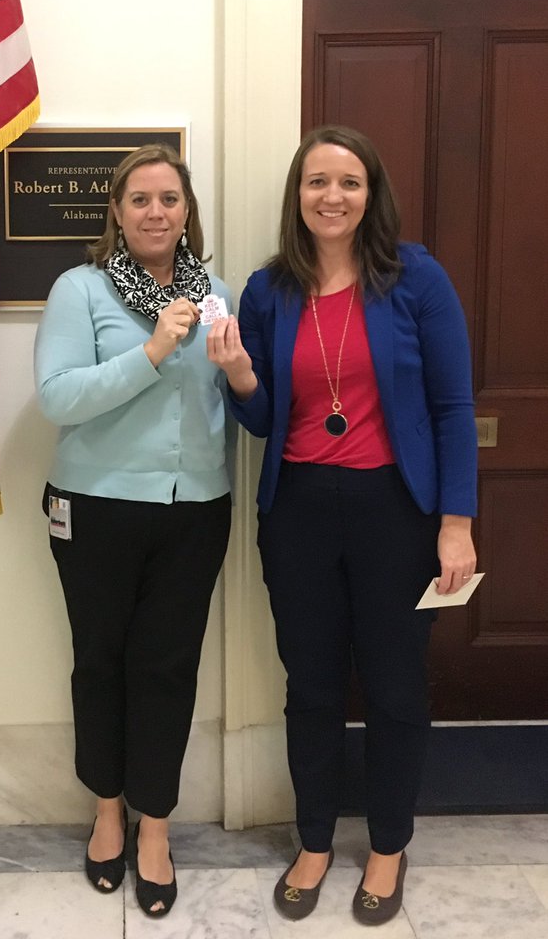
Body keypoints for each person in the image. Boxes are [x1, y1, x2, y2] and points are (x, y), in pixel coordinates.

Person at [208, 125, 477, 925]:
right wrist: (238, 373)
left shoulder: (415, 279)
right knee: (311, 687)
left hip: (395, 511)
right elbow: (259, 418)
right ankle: (316, 840)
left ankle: (389, 846)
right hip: (298, 515)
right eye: (317, 181)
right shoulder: (267, 290)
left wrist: (456, 523)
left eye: (349, 182)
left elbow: (454, 408)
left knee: (395, 688)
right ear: (297, 194)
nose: (332, 196)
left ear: (371, 195)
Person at [34, 145, 234, 918]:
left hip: (194, 510)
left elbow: (223, 398)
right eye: (141, 199)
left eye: (170, 199)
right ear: (115, 212)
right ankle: (107, 809)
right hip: (94, 508)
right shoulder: (79, 290)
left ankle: (156, 824)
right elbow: (57, 398)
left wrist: (240, 369)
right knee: (101, 663)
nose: (157, 212)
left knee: (168, 668)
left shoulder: (214, 291)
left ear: (188, 211)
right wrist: (152, 351)